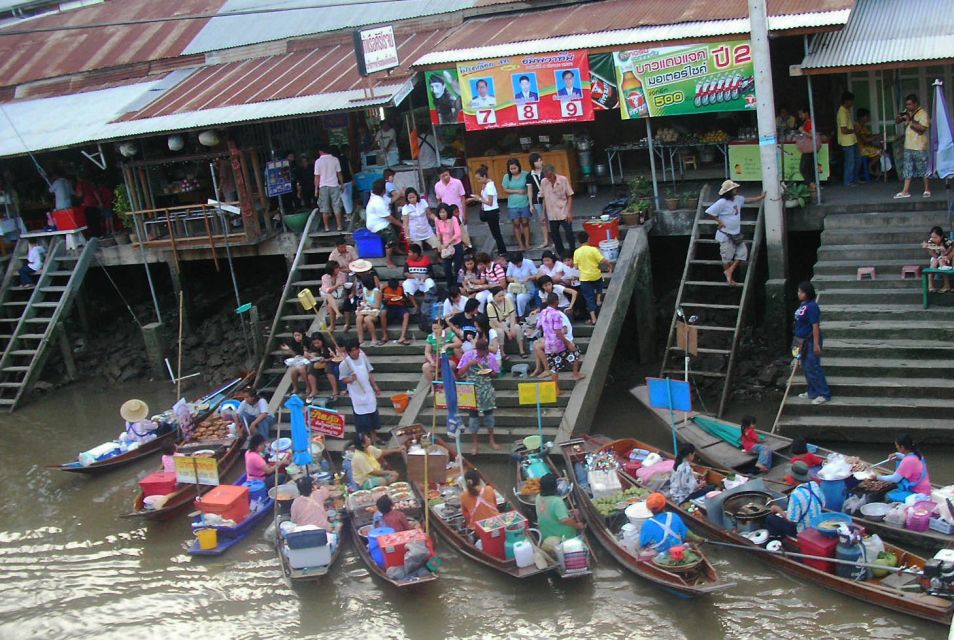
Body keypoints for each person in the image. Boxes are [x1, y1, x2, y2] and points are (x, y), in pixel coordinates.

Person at [705, 180, 765, 286]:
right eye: (733, 189)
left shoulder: (738, 199)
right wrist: (719, 221)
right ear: (728, 192)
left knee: (743, 253)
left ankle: (729, 271)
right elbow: (709, 212)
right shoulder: (722, 202)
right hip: (725, 234)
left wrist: (760, 197)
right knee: (726, 257)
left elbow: (748, 200)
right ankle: (729, 276)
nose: (736, 190)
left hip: (736, 233)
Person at [456, 338, 500, 454]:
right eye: (480, 352)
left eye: (484, 352)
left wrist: (489, 371)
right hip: (471, 388)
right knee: (473, 418)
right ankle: (475, 443)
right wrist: (469, 364)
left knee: (489, 416)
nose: (482, 354)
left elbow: (496, 374)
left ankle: (492, 439)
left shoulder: (490, 357)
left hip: (486, 388)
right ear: (476, 349)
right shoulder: (468, 355)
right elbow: (460, 373)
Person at [794, 281, 831, 405]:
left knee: (813, 367)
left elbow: (815, 326)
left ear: (807, 293)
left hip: (810, 340)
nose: (798, 293)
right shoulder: (802, 305)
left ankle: (824, 393)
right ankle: (812, 391)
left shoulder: (812, 306)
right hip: (801, 340)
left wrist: (816, 344)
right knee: (806, 367)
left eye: (801, 291)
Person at [539, 292, 582, 394]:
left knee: (554, 368)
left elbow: (539, 326)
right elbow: (558, 332)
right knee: (576, 352)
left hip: (548, 344)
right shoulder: (556, 314)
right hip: (558, 344)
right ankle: (575, 374)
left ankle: (556, 389)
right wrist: (568, 343)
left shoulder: (543, 312)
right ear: (557, 302)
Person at [339, 339, 383, 439]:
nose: (355, 353)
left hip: (367, 390)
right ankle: (365, 439)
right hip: (356, 393)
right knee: (362, 417)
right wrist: (351, 379)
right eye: (352, 351)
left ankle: (374, 436)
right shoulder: (344, 364)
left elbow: (369, 372)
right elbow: (343, 379)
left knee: (372, 412)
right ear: (348, 352)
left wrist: (375, 386)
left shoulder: (363, 357)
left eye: (357, 349)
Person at [767, 461, 825, 537]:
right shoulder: (814, 485)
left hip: (804, 530)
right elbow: (823, 504)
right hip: (817, 524)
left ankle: (777, 539)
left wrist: (778, 510)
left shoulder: (796, 495)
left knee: (770, 518)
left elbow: (792, 520)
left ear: (794, 478)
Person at [894, 94, 932, 199]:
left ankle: (927, 189)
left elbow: (922, 128)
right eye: (907, 104)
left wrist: (910, 121)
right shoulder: (907, 112)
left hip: (919, 146)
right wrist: (901, 116)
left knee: (923, 169)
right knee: (907, 169)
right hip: (908, 146)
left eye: (910, 104)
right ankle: (905, 191)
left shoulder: (922, 113)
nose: (908, 106)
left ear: (915, 104)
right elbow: (897, 121)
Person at [535, 473, 585, 552]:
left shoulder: (538, 497)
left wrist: (568, 512)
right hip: (561, 536)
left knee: (576, 512)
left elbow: (549, 512)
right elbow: (564, 520)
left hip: (546, 533)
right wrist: (578, 525)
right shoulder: (557, 501)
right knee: (579, 520)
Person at [573, 231, 612, 324]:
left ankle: (593, 318)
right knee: (600, 284)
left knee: (589, 298)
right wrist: (610, 266)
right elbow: (603, 260)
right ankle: (598, 299)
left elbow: (575, 266)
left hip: (584, 278)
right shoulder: (593, 250)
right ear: (588, 239)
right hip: (595, 275)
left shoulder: (576, 252)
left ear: (578, 241)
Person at [468, 165, 507, 254]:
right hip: (487, 210)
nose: (478, 181)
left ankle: (502, 251)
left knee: (496, 233)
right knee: (495, 233)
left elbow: (490, 202)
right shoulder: (485, 185)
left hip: (492, 211)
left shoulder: (490, 186)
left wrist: (478, 199)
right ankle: (501, 250)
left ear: (484, 176)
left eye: (479, 179)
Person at [365, 179, 403, 268]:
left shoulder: (381, 196)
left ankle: (396, 248)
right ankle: (388, 261)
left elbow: (390, 201)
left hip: (382, 220)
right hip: (377, 224)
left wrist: (399, 194)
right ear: (383, 190)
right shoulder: (377, 201)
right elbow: (388, 218)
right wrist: (402, 224)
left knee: (396, 228)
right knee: (391, 236)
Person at [540, 165, 574, 257]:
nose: (549, 179)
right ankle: (562, 255)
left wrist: (569, 212)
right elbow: (543, 198)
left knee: (569, 234)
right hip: (551, 213)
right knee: (555, 236)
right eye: (547, 177)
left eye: (550, 176)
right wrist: (543, 214)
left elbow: (569, 195)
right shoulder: (544, 182)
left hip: (563, 211)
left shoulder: (563, 180)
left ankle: (573, 254)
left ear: (554, 173)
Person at [434, 167, 470, 248]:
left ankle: (467, 249)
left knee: (463, 234)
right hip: (446, 215)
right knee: (450, 235)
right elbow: (439, 200)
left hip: (458, 212)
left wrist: (464, 215)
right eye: (443, 176)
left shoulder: (457, 182)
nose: (446, 177)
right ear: (439, 176)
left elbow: (463, 199)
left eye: (447, 175)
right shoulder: (437, 186)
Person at [486, 287, 526, 359]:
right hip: (497, 325)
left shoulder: (506, 300)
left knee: (517, 327)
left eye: (503, 295)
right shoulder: (490, 306)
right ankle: (502, 353)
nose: (502, 298)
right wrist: (507, 332)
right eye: (499, 296)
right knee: (500, 332)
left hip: (507, 321)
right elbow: (495, 321)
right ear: (494, 296)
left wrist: (512, 327)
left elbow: (512, 314)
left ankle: (521, 350)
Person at [502, 158, 532, 250]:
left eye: (515, 168)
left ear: (519, 166)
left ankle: (527, 243)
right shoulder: (507, 177)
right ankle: (520, 244)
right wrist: (517, 191)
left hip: (524, 202)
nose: (513, 170)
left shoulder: (526, 174)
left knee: (525, 222)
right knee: (516, 224)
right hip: (512, 204)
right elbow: (505, 189)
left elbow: (529, 187)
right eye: (511, 169)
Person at [435, 203, 464, 288]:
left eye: (444, 212)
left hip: (456, 244)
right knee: (446, 268)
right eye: (440, 212)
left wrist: (449, 242)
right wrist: (439, 244)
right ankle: (450, 286)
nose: (442, 214)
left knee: (457, 268)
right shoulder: (437, 220)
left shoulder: (453, 219)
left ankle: (457, 286)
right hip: (445, 246)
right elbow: (438, 232)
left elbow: (458, 233)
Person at [401, 187, 438, 253]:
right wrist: (407, 236)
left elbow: (429, 214)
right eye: (410, 198)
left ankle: (438, 259)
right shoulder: (405, 208)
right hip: (415, 233)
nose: (412, 199)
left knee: (437, 246)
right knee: (418, 252)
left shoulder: (423, 202)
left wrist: (437, 219)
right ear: (407, 198)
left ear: (416, 196)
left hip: (426, 230)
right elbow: (405, 224)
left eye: (413, 197)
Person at [836, 91, 861, 187]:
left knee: (856, 160)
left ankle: (854, 179)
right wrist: (854, 130)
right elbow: (844, 130)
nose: (852, 103)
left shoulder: (846, 111)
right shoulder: (842, 112)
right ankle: (848, 182)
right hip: (847, 142)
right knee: (850, 162)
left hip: (852, 140)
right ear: (847, 101)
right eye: (851, 101)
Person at [306, 332, 341, 401]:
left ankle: (335, 390)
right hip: (319, 363)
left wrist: (326, 359)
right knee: (310, 368)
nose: (316, 345)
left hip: (330, 362)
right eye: (314, 343)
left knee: (328, 369)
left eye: (318, 343)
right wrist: (311, 356)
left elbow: (335, 357)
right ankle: (314, 390)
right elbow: (312, 354)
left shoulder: (329, 345)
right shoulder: (313, 347)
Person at [526, 153, 550, 249]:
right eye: (537, 161)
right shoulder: (529, 175)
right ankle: (545, 240)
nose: (539, 162)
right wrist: (531, 204)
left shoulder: (547, 171)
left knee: (552, 219)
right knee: (542, 220)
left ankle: (553, 239)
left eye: (540, 160)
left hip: (549, 199)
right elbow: (529, 190)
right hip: (537, 200)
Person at [403, 242, 437, 307]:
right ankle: (415, 306)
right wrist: (413, 276)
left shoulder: (426, 260)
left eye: (410, 252)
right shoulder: (408, 261)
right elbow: (405, 273)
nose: (408, 254)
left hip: (423, 280)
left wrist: (425, 277)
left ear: (415, 254)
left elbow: (431, 273)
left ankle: (425, 304)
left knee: (430, 283)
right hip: (413, 280)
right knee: (406, 284)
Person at [505, 250, 537, 318]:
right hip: (515, 288)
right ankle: (513, 316)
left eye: (518, 263)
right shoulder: (511, 264)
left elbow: (536, 275)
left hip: (527, 289)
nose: (517, 265)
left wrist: (528, 277)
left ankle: (521, 316)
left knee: (520, 297)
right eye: (515, 264)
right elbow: (508, 277)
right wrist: (513, 279)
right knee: (508, 296)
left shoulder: (529, 262)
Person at [380, 278, 411, 345]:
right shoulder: (385, 289)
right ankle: (385, 335)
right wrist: (385, 299)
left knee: (406, 314)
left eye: (395, 288)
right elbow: (382, 300)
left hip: (400, 306)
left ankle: (402, 337)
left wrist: (402, 299)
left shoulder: (401, 288)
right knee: (382, 313)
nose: (394, 290)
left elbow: (406, 299)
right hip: (389, 307)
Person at [796, 107, 818, 195]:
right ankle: (812, 187)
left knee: (803, 168)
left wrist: (803, 131)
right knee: (809, 169)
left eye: (801, 114)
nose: (800, 116)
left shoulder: (809, 122)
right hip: (810, 149)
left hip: (808, 149)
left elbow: (812, 135)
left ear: (806, 113)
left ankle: (812, 185)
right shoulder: (807, 122)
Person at [280, 329, 310, 395]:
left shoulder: (307, 340)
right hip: (300, 360)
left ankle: (308, 386)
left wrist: (307, 352)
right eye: (295, 335)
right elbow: (295, 355)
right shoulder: (294, 342)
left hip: (308, 360)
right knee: (293, 370)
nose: (297, 337)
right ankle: (295, 388)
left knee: (302, 369)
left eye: (298, 335)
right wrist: (288, 349)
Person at [924, 226, 953, 293]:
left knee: (941, 261)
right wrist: (929, 249)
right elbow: (933, 254)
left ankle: (946, 285)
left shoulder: (947, 241)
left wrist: (946, 256)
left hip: (947, 258)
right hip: (937, 257)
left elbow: (952, 251)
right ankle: (931, 286)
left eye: (936, 237)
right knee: (934, 261)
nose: (934, 239)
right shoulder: (931, 242)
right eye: (932, 237)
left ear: (941, 236)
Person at [355, 274, 382, 345]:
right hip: (367, 310)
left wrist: (369, 305)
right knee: (359, 318)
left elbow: (378, 306)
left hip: (376, 312)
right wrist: (361, 306)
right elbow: (364, 301)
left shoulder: (376, 291)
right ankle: (360, 339)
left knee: (367, 319)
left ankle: (374, 338)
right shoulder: (364, 289)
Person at [855, 108, 881, 179]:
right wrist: (876, 137)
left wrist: (878, 135)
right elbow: (866, 139)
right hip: (860, 148)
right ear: (861, 117)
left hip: (866, 146)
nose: (868, 118)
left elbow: (869, 135)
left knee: (879, 148)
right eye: (867, 116)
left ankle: (876, 172)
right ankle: (870, 167)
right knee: (880, 152)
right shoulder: (858, 126)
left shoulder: (863, 126)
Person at [320, 262, 347, 331]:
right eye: (336, 268)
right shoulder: (324, 277)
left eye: (338, 267)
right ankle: (338, 313)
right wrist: (336, 286)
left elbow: (341, 285)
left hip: (340, 297)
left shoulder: (342, 275)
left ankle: (332, 326)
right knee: (328, 295)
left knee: (330, 305)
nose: (338, 269)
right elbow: (327, 290)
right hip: (330, 297)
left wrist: (334, 287)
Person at [330, 145, 354, 217]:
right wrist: (353, 179)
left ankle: (349, 215)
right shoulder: (344, 158)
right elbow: (350, 169)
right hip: (348, 180)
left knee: (344, 199)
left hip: (340, 182)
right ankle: (350, 213)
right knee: (349, 198)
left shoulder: (333, 161)